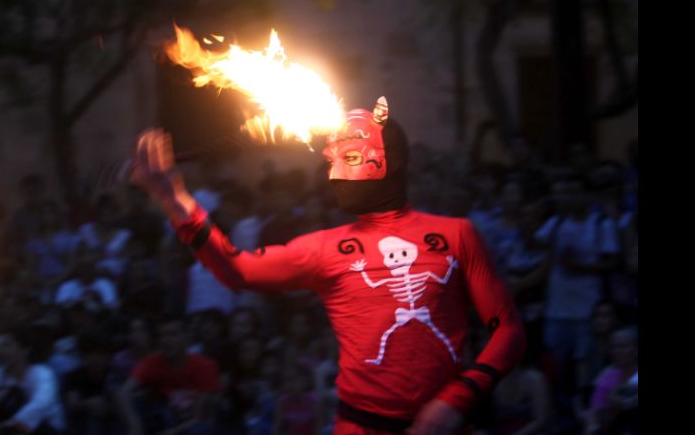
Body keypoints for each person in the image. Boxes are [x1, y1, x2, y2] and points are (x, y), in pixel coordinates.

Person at [131, 97, 526, 434]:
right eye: (332, 161)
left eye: (350, 158)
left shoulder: (457, 235)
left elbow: (508, 331)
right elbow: (238, 271)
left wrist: (459, 398)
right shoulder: (326, 247)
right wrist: (176, 200)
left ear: (395, 159)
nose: (335, 174)